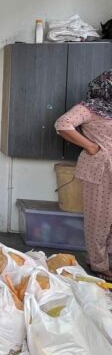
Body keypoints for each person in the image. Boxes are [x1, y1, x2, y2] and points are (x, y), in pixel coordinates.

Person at [55, 69, 112, 280]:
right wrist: (91, 147)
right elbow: (62, 124)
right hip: (101, 169)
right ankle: (98, 264)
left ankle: (105, 257)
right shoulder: (89, 108)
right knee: (100, 219)